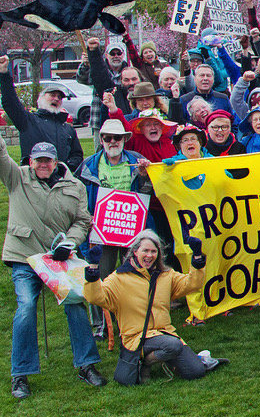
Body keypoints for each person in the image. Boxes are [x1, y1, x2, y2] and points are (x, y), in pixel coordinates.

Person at [2, 138, 103, 398]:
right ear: (31, 161)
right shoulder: (16, 177)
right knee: (26, 307)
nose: (43, 165)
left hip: (60, 259)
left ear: (55, 162)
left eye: (48, 160)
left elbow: (83, 220)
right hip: (25, 256)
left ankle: (86, 365)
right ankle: (20, 375)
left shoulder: (75, 186)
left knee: (75, 304)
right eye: (38, 160)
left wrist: (70, 243)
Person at [83, 231, 223, 384]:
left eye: (153, 251)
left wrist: (197, 258)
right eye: (145, 250)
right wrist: (93, 269)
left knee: (196, 371)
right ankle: (147, 361)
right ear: (135, 251)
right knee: (172, 345)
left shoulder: (166, 275)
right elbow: (95, 297)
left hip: (165, 333)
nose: (149, 255)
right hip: (136, 338)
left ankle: (156, 358)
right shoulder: (119, 278)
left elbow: (192, 284)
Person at [76, 120, 152, 274]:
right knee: (101, 272)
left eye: (117, 138)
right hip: (101, 229)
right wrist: (85, 215)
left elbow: (150, 193)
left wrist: (145, 176)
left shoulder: (137, 161)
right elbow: (76, 194)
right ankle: (100, 298)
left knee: (134, 273)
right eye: (108, 138)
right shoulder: (89, 165)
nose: (112, 142)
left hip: (132, 227)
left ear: (124, 139)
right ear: (101, 139)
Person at [0, 55, 84, 169]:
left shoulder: (68, 129)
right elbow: (10, 102)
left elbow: (77, 155)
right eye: (52, 95)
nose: (56, 99)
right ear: (41, 98)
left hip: (60, 181)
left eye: (59, 97)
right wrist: (4, 73)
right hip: (32, 180)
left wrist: (65, 167)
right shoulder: (28, 121)